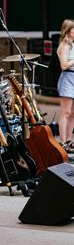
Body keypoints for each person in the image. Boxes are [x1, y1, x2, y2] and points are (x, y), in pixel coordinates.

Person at [57, 19, 74, 152]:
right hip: (68, 77)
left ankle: (69, 140)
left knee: (73, 113)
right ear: (68, 31)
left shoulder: (72, 44)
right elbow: (63, 65)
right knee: (66, 112)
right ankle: (62, 142)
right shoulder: (65, 45)